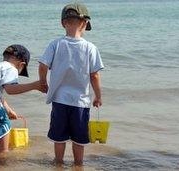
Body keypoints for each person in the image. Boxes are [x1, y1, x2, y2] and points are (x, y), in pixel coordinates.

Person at [38, 2, 104, 165]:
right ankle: (78, 164)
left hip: (59, 99)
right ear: (86, 23)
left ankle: (59, 163)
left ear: (63, 23)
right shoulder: (90, 47)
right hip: (80, 102)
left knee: (59, 138)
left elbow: (42, 65)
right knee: (79, 139)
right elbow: (94, 75)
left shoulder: (55, 44)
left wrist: (43, 82)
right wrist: (98, 96)